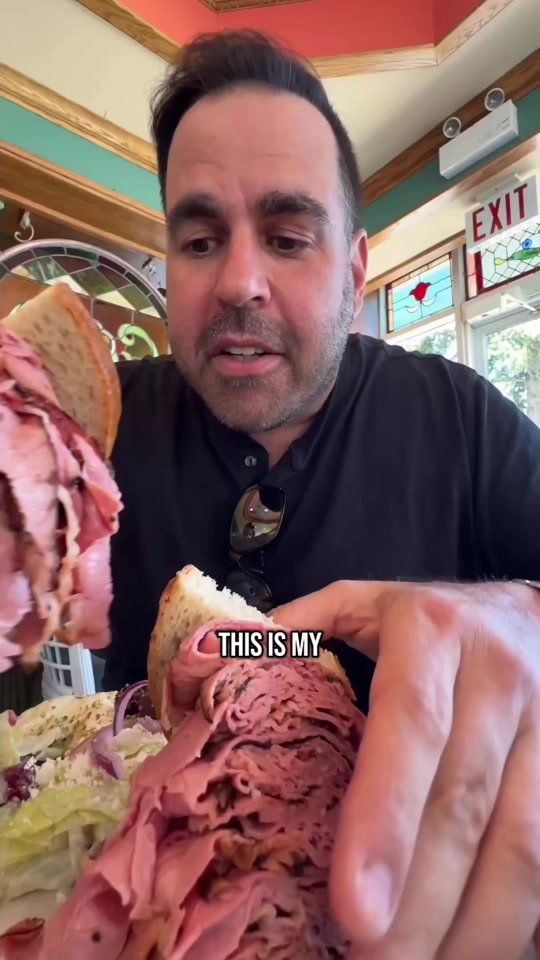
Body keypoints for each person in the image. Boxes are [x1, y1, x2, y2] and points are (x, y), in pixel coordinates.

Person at [100, 28, 540, 959]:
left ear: (355, 267)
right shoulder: (100, 429)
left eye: (288, 237)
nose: (238, 281)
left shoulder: (461, 420)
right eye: (200, 239)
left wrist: (523, 617)